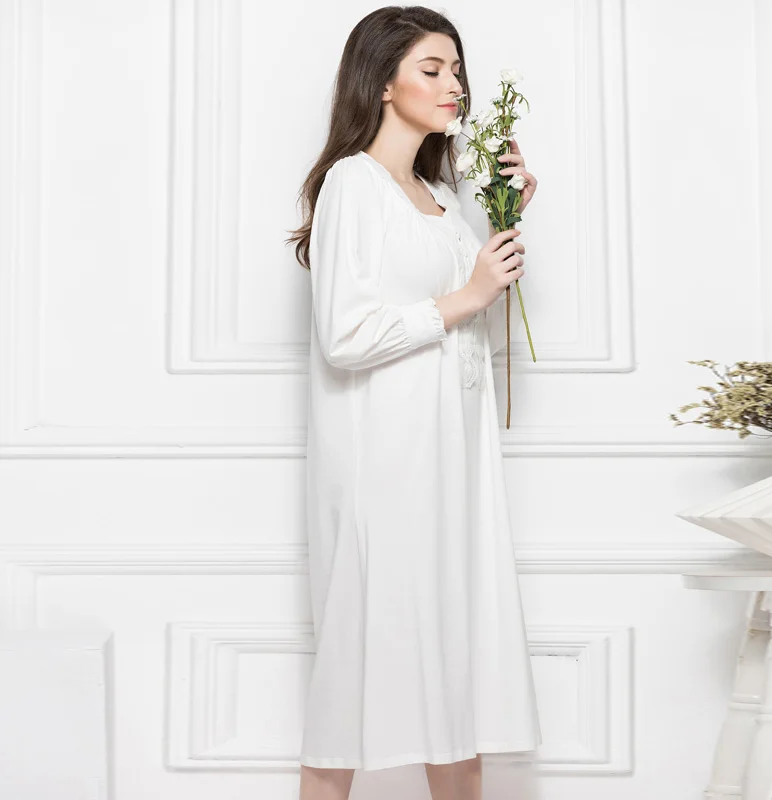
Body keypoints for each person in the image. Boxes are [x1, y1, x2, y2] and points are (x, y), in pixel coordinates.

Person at [284, 6, 542, 799]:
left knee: (455, 682)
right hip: (385, 471)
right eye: (432, 69)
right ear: (383, 83)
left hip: (452, 467)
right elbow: (346, 336)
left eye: (456, 69)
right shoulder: (352, 185)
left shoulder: (438, 196)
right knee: (354, 680)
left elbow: (460, 315)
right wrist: (468, 295)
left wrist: (506, 213)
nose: (453, 84)